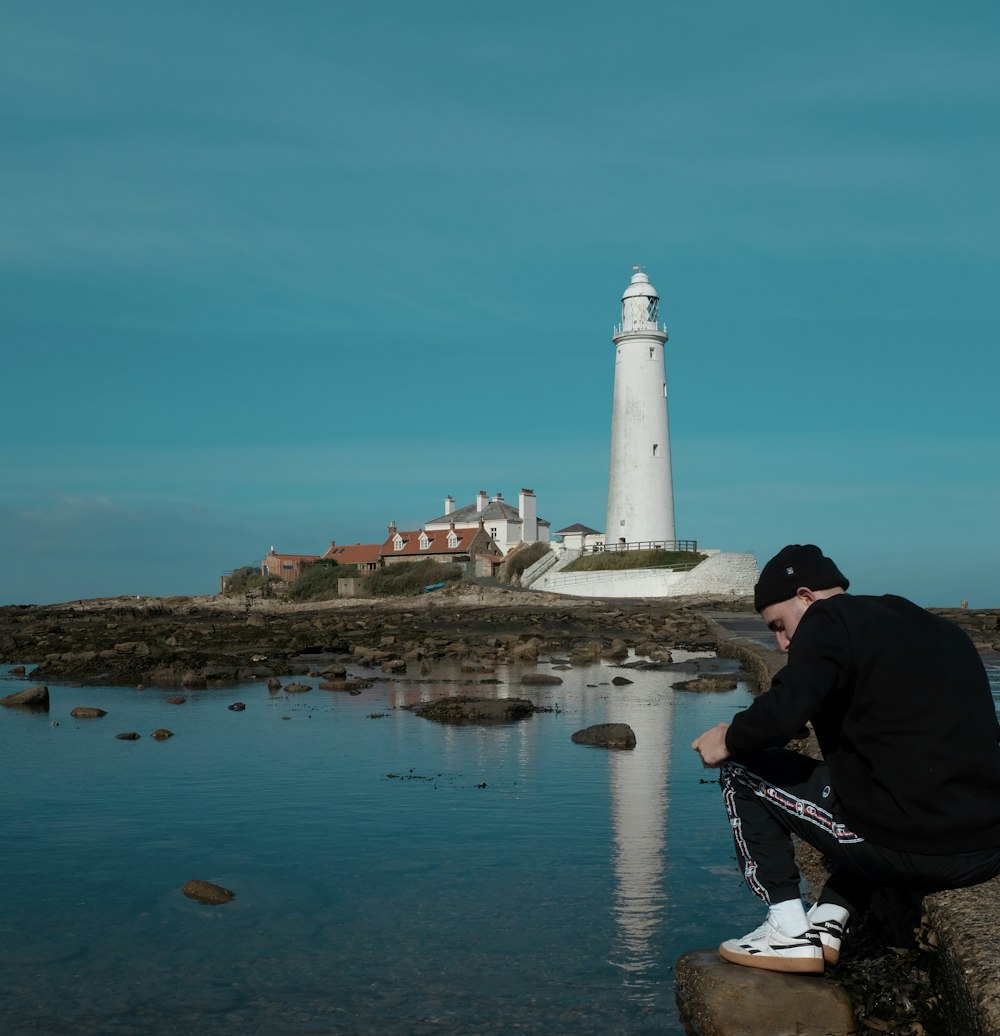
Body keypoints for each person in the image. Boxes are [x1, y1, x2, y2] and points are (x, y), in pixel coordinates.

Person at [691, 544, 1000, 974]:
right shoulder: (927, 624)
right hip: (984, 848)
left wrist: (728, 738)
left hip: (914, 848)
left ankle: (786, 931)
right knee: (864, 782)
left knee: (741, 769)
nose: (782, 644)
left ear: (806, 596)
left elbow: (783, 710)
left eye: (779, 626)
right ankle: (828, 920)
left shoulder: (826, 618)